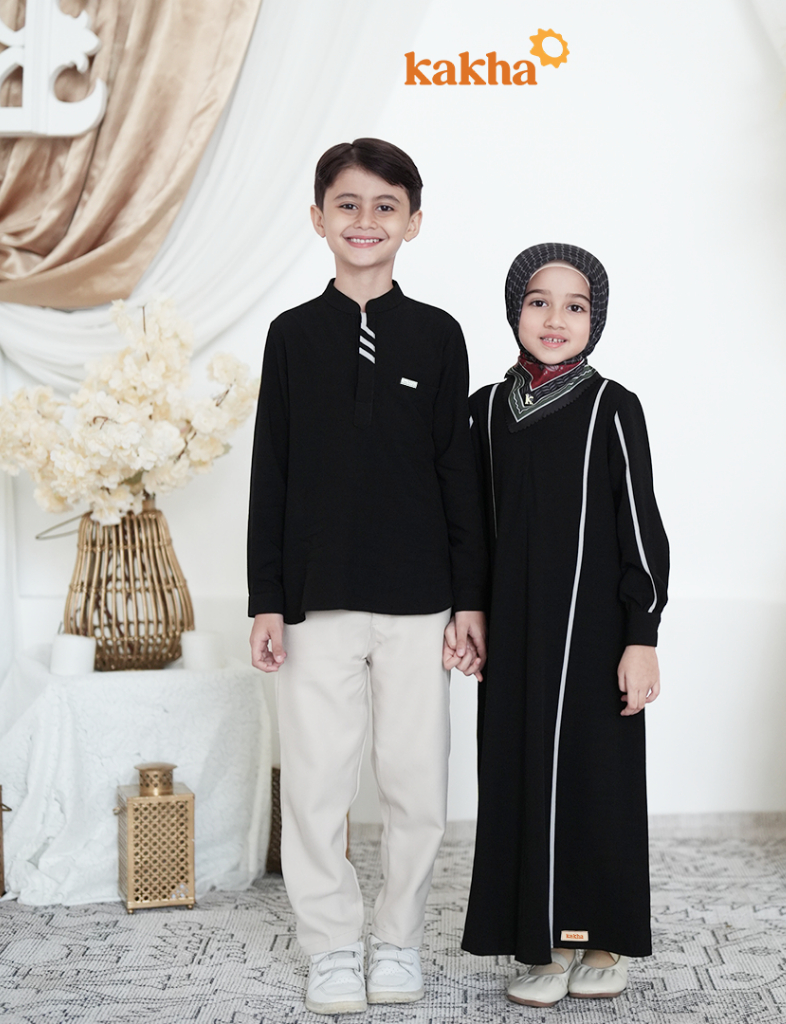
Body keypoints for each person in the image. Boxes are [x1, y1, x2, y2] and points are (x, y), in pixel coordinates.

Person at [248, 138, 487, 1016]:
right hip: (315, 603)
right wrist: (266, 600)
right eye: (347, 204)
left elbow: (459, 474)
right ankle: (331, 948)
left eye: (386, 206)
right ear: (318, 219)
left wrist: (471, 600)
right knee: (316, 785)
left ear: (413, 223)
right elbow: (271, 472)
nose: (365, 220)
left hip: (421, 602)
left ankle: (397, 941)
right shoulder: (290, 336)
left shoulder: (439, 335)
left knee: (416, 783)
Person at [449, 242, 669, 1006]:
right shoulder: (484, 411)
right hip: (515, 639)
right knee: (517, 777)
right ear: (515, 309)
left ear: (595, 320)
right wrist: (469, 610)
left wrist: (641, 637)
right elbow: (469, 527)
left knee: (596, 782)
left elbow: (641, 526)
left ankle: (601, 939)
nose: (555, 318)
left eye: (575, 306)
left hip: (597, 640)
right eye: (539, 301)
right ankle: (537, 944)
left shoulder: (613, 407)